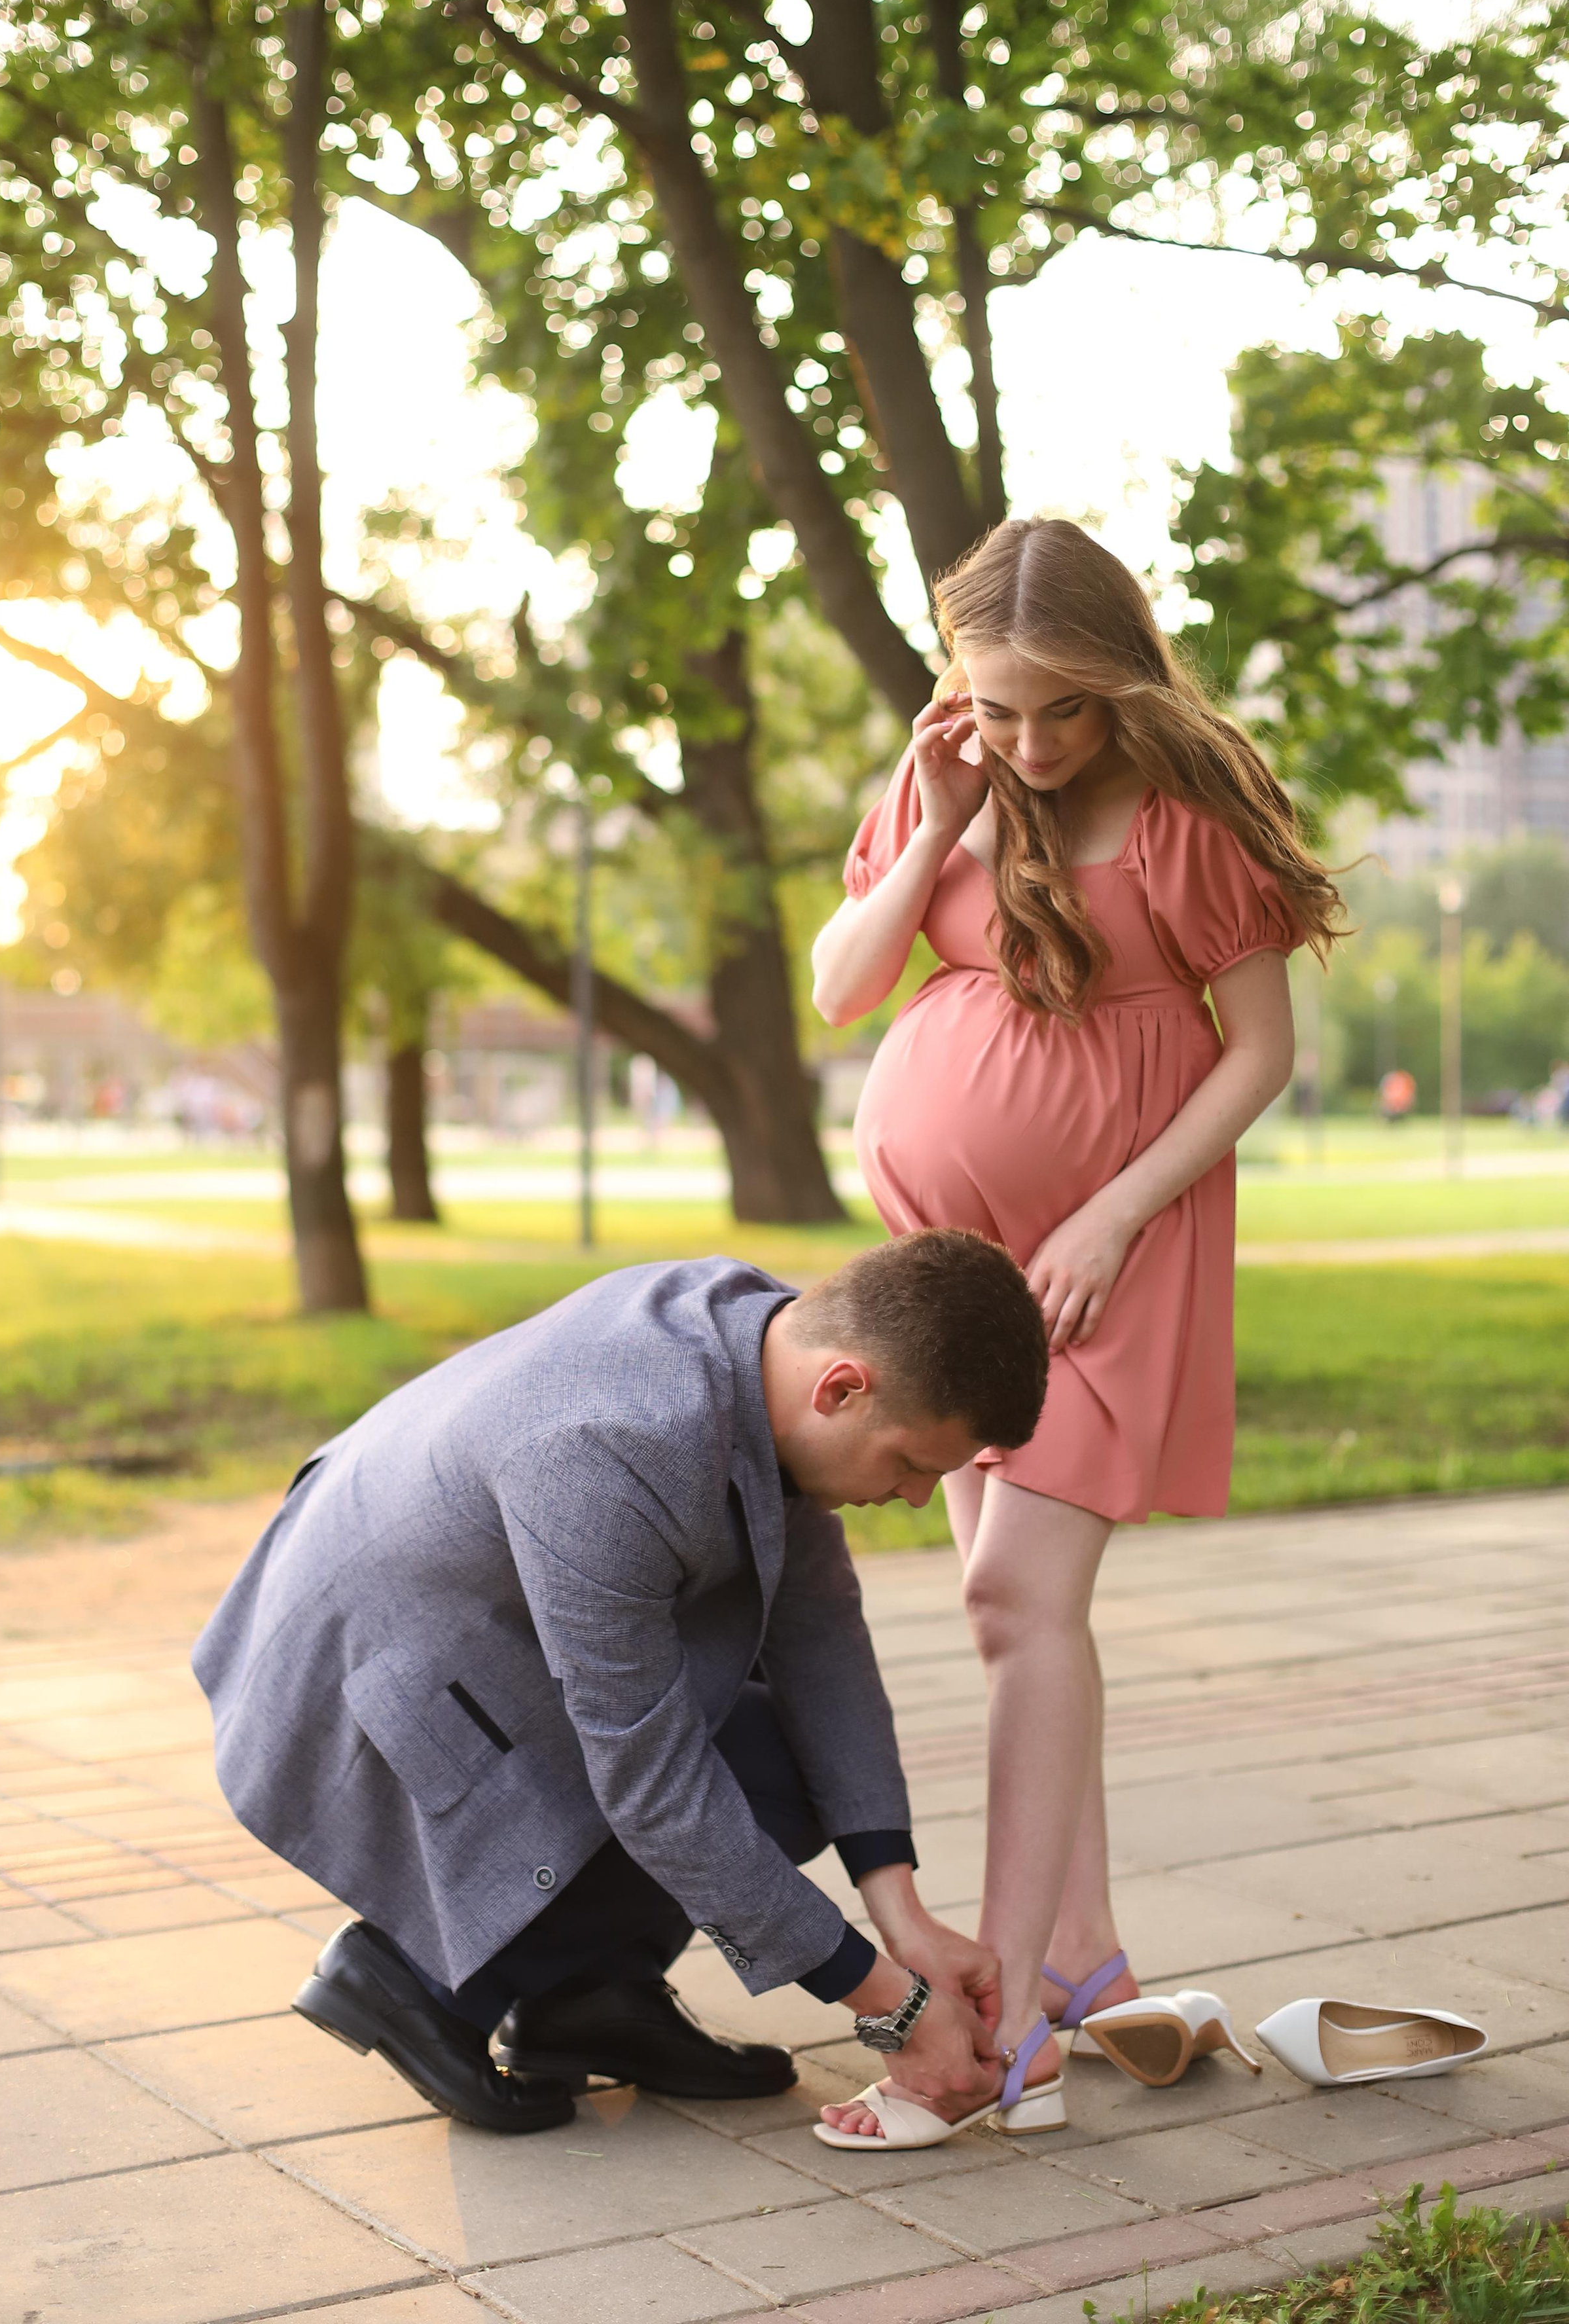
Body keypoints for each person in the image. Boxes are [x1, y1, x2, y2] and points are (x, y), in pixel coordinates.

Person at [810, 517, 1342, 2139]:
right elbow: (845, 985)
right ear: (952, 685)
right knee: (1014, 1624)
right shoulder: (948, 784)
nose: (1033, 742)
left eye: (1063, 711)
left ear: (1119, 682)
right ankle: (1095, 1960)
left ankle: (1020, 2001)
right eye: (998, 706)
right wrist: (939, 822)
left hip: (1106, 1259)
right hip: (956, 1269)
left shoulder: (1181, 828)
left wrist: (1116, 1207)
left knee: (1008, 1602)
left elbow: (1256, 1052)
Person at [193, 1231, 1048, 2135]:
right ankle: (418, 1979)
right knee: (699, 1784)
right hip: (367, 1685)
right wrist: (891, 2005)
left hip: (471, 1632)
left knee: (784, 1771)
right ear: (843, 1390)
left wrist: (902, 1917)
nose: (917, 1498)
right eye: (914, 1466)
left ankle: (589, 2000)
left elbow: (820, 1639)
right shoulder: (613, 1446)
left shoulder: (769, 1346)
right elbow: (655, 1790)